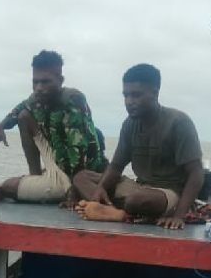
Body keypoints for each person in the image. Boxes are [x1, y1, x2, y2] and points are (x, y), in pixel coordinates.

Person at [73, 63, 203, 229]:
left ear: (155, 93)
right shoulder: (129, 124)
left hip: (168, 193)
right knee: (81, 177)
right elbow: (115, 167)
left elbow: (196, 173)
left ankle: (117, 212)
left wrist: (179, 216)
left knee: (137, 200)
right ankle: (106, 205)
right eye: (126, 95)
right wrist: (100, 188)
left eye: (136, 95)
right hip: (138, 186)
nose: (129, 102)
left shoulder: (178, 122)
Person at [0, 50, 107, 203]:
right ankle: (35, 176)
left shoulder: (72, 100)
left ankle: (60, 188)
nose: (39, 87)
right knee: (23, 116)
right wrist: (1, 126)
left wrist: (74, 192)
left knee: (8, 187)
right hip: (58, 168)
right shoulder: (38, 98)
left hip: (81, 178)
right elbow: (20, 109)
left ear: (60, 80)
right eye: (35, 82)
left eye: (45, 82)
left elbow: (79, 153)